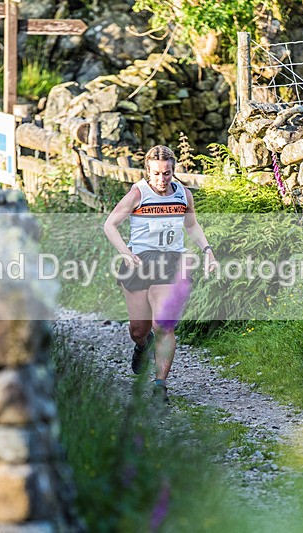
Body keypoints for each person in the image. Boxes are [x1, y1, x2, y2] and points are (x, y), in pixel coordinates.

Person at [103, 145, 218, 404]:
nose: (161, 179)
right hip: (139, 262)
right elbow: (110, 224)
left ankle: (159, 386)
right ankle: (142, 346)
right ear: (148, 172)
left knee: (164, 324)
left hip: (170, 263)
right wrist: (125, 252)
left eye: (166, 173)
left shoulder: (182, 195)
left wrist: (208, 250)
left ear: (173, 170)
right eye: (156, 173)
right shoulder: (138, 193)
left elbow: (191, 225)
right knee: (138, 329)